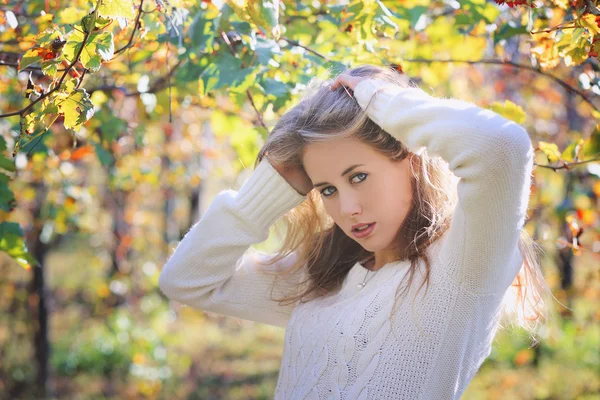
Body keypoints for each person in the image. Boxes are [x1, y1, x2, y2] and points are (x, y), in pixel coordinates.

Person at [158, 64, 553, 399]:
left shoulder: (460, 269)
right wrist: (269, 186)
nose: (346, 209)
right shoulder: (323, 277)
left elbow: (501, 146)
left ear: (412, 158)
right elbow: (188, 281)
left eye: (359, 176)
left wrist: (381, 100)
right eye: (327, 189)